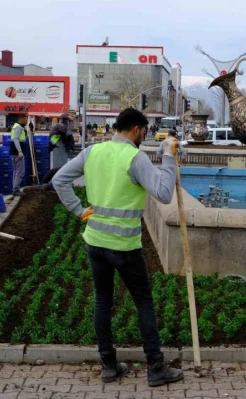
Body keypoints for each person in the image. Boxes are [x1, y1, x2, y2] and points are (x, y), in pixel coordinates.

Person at [52, 108, 183, 386]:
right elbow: (163, 193)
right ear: (136, 130)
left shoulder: (92, 152)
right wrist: (168, 157)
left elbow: (59, 179)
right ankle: (156, 367)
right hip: (124, 246)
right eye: (143, 132)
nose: (143, 137)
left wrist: (79, 211)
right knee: (143, 302)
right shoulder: (135, 158)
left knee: (103, 300)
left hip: (95, 242)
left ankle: (109, 365)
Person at [9, 115, 30, 200]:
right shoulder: (18, 128)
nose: (27, 121)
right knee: (20, 172)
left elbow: (22, 137)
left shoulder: (17, 126)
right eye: (26, 120)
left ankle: (15, 189)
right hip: (17, 153)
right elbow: (16, 139)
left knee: (16, 171)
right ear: (22, 119)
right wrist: (19, 151)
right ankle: (15, 190)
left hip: (14, 153)